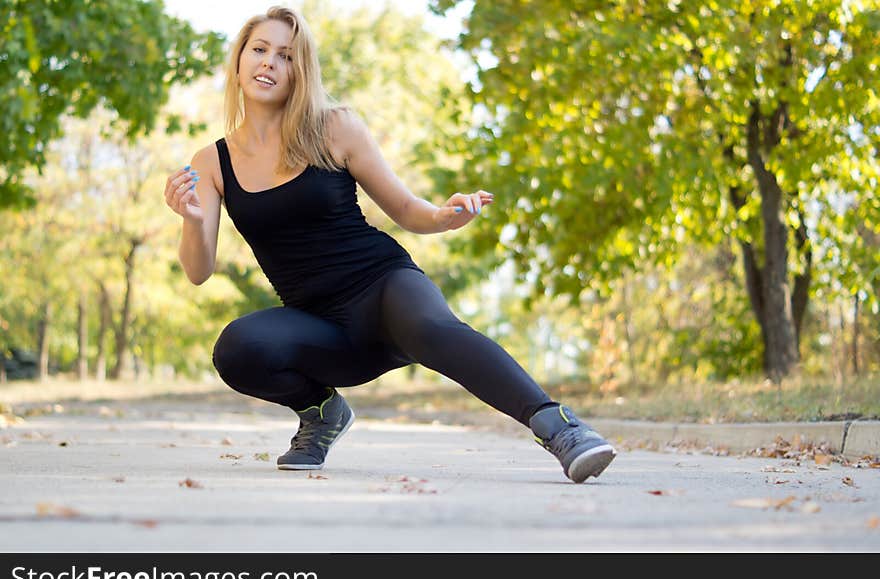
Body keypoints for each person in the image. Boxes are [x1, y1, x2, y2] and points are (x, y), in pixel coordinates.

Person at [163, 6, 616, 483]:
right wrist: (192, 220)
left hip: (383, 289)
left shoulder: (334, 127)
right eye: (259, 50)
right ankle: (321, 413)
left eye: (287, 56)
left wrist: (444, 215)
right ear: (238, 60)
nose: (270, 63)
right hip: (320, 327)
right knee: (237, 348)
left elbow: (404, 209)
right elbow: (198, 270)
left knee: (435, 329)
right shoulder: (211, 162)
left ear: (302, 71)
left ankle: (560, 428)